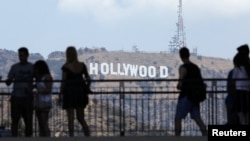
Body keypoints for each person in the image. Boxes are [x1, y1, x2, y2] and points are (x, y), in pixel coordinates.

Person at [175, 47, 207, 136]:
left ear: (181, 56)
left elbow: (180, 83)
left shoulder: (183, 68)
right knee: (198, 119)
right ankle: (205, 135)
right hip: (195, 97)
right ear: (189, 55)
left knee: (178, 118)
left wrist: (178, 86)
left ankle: (177, 138)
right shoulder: (195, 67)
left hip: (185, 96)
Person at [59, 46, 91, 137]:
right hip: (80, 93)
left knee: (70, 117)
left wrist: (60, 94)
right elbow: (88, 79)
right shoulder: (82, 65)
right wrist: (87, 88)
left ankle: (71, 137)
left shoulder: (66, 67)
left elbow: (63, 82)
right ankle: (87, 135)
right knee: (81, 117)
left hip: (69, 93)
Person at [5, 47, 34, 137]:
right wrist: (8, 80)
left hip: (27, 97)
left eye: (22, 55)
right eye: (19, 56)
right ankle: (14, 138)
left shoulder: (32, 67)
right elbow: (8, 82)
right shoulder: (14, 67)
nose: (21, 57)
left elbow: (38, 80)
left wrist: (32, 88)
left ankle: (28, 138)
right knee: (15, 120)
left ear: (27, 56)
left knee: (28, 121)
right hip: (16, 97)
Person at [33, 60, 53, 137]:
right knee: (40, 123)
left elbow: (48, 89)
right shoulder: (39, 77)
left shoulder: (47, 77)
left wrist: (38, 91)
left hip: (45, 101)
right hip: (38, 102)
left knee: (44, 123)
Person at [231, 52, 250, 125]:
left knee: (240, 112)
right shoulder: (247, 69)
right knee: (247, 112)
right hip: (248, 92)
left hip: (239, 92)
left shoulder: (237, 69)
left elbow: (233, 80)